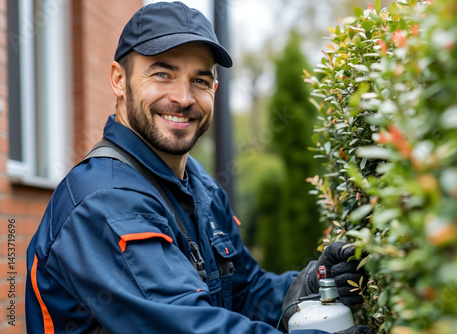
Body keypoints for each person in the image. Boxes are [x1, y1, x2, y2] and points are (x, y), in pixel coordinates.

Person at [25, 2, 372, 333]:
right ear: (119, 79)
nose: (184, 98)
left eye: (200, 81)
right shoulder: (104, 201)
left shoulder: (200, 186)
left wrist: (310, 283)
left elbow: (244, 293)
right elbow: (188, 324)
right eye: (162, 74)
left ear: (214, 89)